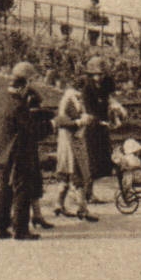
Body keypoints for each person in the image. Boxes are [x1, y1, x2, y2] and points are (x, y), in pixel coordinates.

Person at [0, 62, 44, 240]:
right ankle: (21, 230)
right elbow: (32, 129)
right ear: (24, 85)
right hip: (17, 152)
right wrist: (52, 124)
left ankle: (1, 227)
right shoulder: (18, 105)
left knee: (3, 189)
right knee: (22, 189)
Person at [79, 57, 126, 203]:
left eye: (101, 74)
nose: (98, 77)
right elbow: (89, 111)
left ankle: (123, 190)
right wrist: (101, 121)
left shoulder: (105, 87)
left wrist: (116, 113)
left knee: (108, 160)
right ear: (91, 75)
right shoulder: (87, 90)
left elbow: (109, 103)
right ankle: (87, 194)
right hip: (92, 129)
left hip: (103, 129)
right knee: (91, 161)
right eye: (96, 75)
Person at [52, 82, 98, 222]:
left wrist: (86, 119)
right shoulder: (69, 99)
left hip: (68, 141)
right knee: (78, 174)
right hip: (70, 142)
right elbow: (62, 120)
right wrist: (80, 122)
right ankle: (82, 209)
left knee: (65, 175)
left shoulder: (73, 99)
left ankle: (58, 204)